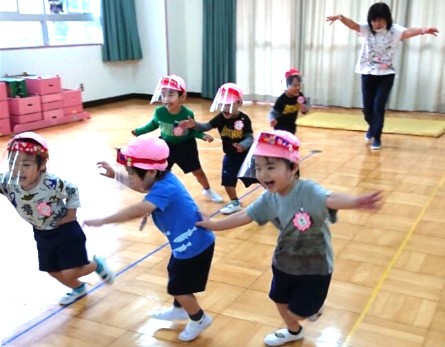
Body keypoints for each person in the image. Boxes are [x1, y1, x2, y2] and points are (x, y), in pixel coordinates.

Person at [196, 130, 382, 346]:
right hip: (284, 262)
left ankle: (311, 309)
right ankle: (294, 331)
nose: (263, 174)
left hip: (315, 266)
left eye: (271, 167)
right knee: (279, 299)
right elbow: (245, 215)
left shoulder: (308, 191)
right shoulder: (269, 197)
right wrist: (214, 226)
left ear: (293, 168)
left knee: (300, 311)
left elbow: (330, 198)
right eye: (258, 167)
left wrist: (356, 202)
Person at [84, 134, 214, 342]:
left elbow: (137, 210)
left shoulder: (164, 189)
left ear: (152, 171)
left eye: (131, 173)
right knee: (174, 273)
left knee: (178, 287)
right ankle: (180, 309)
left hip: (194, 245)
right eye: (128, 172)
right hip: (187, 243)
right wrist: (115, 175)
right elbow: (140, 185)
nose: (131, 177)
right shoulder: (161, 179)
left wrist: (103, 220)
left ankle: (199, 319)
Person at [0, 132, 115, 306]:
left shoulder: (51, 183)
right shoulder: (7, 182)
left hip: (65, 230)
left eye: (26, 164)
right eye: (13, 163)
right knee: (52, 270)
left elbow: (72, 190)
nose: (18, 169)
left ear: (42, 164)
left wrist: (70, 215)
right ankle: (79, 289)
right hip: (42, 233)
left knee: (70, 272)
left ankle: (97, 264)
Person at [326, 3, 439, 150]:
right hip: (367, 73)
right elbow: (353, 25)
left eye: (379, 20)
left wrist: (424, 30)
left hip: (386, 75)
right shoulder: (367, 29)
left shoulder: (395, 30)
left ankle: (377, 137)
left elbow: (408, 32)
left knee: (378, 106)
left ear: (386, 19)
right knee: (367, 110)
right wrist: (341, 18)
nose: (376, 23)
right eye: (373, 20)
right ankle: (372, 128)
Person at [131, 74, 223, 203]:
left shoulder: (187, 114)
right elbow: (153, 124)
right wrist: (140, 131)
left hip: (186, 146)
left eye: (170, 94)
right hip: (166, 147)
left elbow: (191, 130)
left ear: (182, 97)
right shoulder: (159, 112)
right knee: (160, 173)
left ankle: (207, 190)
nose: (166, 98)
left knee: (197, 171)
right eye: (163, 94)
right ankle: (156, 196)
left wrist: (202, 135)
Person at [179, 82, 255, 214]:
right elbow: (205, 127)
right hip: (230, 156)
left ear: (239, 103)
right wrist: (194, 124)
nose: (225, 108)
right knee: (227, 181)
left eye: (229, 104)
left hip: (246, 156)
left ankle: (272, 195)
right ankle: (234, 202)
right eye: (222, 104)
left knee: (259, 177)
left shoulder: (244, 119)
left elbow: (250, 137)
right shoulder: (220, 118)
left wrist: (243, 145)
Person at [268, 68, 310, 135]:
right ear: (286, 86)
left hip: (291, 126)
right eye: (295, 85)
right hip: (279, 127)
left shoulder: (300, 96)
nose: (298, 88)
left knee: (290, 143)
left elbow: (305, 110)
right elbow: (272, 113)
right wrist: (272, 119)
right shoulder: (281, 99)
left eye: (299, 85)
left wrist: (304, 108)